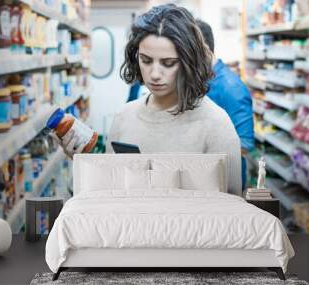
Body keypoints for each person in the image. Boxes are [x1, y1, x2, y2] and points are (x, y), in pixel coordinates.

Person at [57, 4, 242, 196]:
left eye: (168, 63)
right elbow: (111, 190)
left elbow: (231, 209)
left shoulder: (216, 125)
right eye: (146, 60)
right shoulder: (124, 117)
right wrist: (85, 163)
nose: (154, 74)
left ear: (189, 62)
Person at [196, 20, 254, 190]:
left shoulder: (231, 88)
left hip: (225, 181)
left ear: (204, 49)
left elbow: (245, 145)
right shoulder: (201, 79)